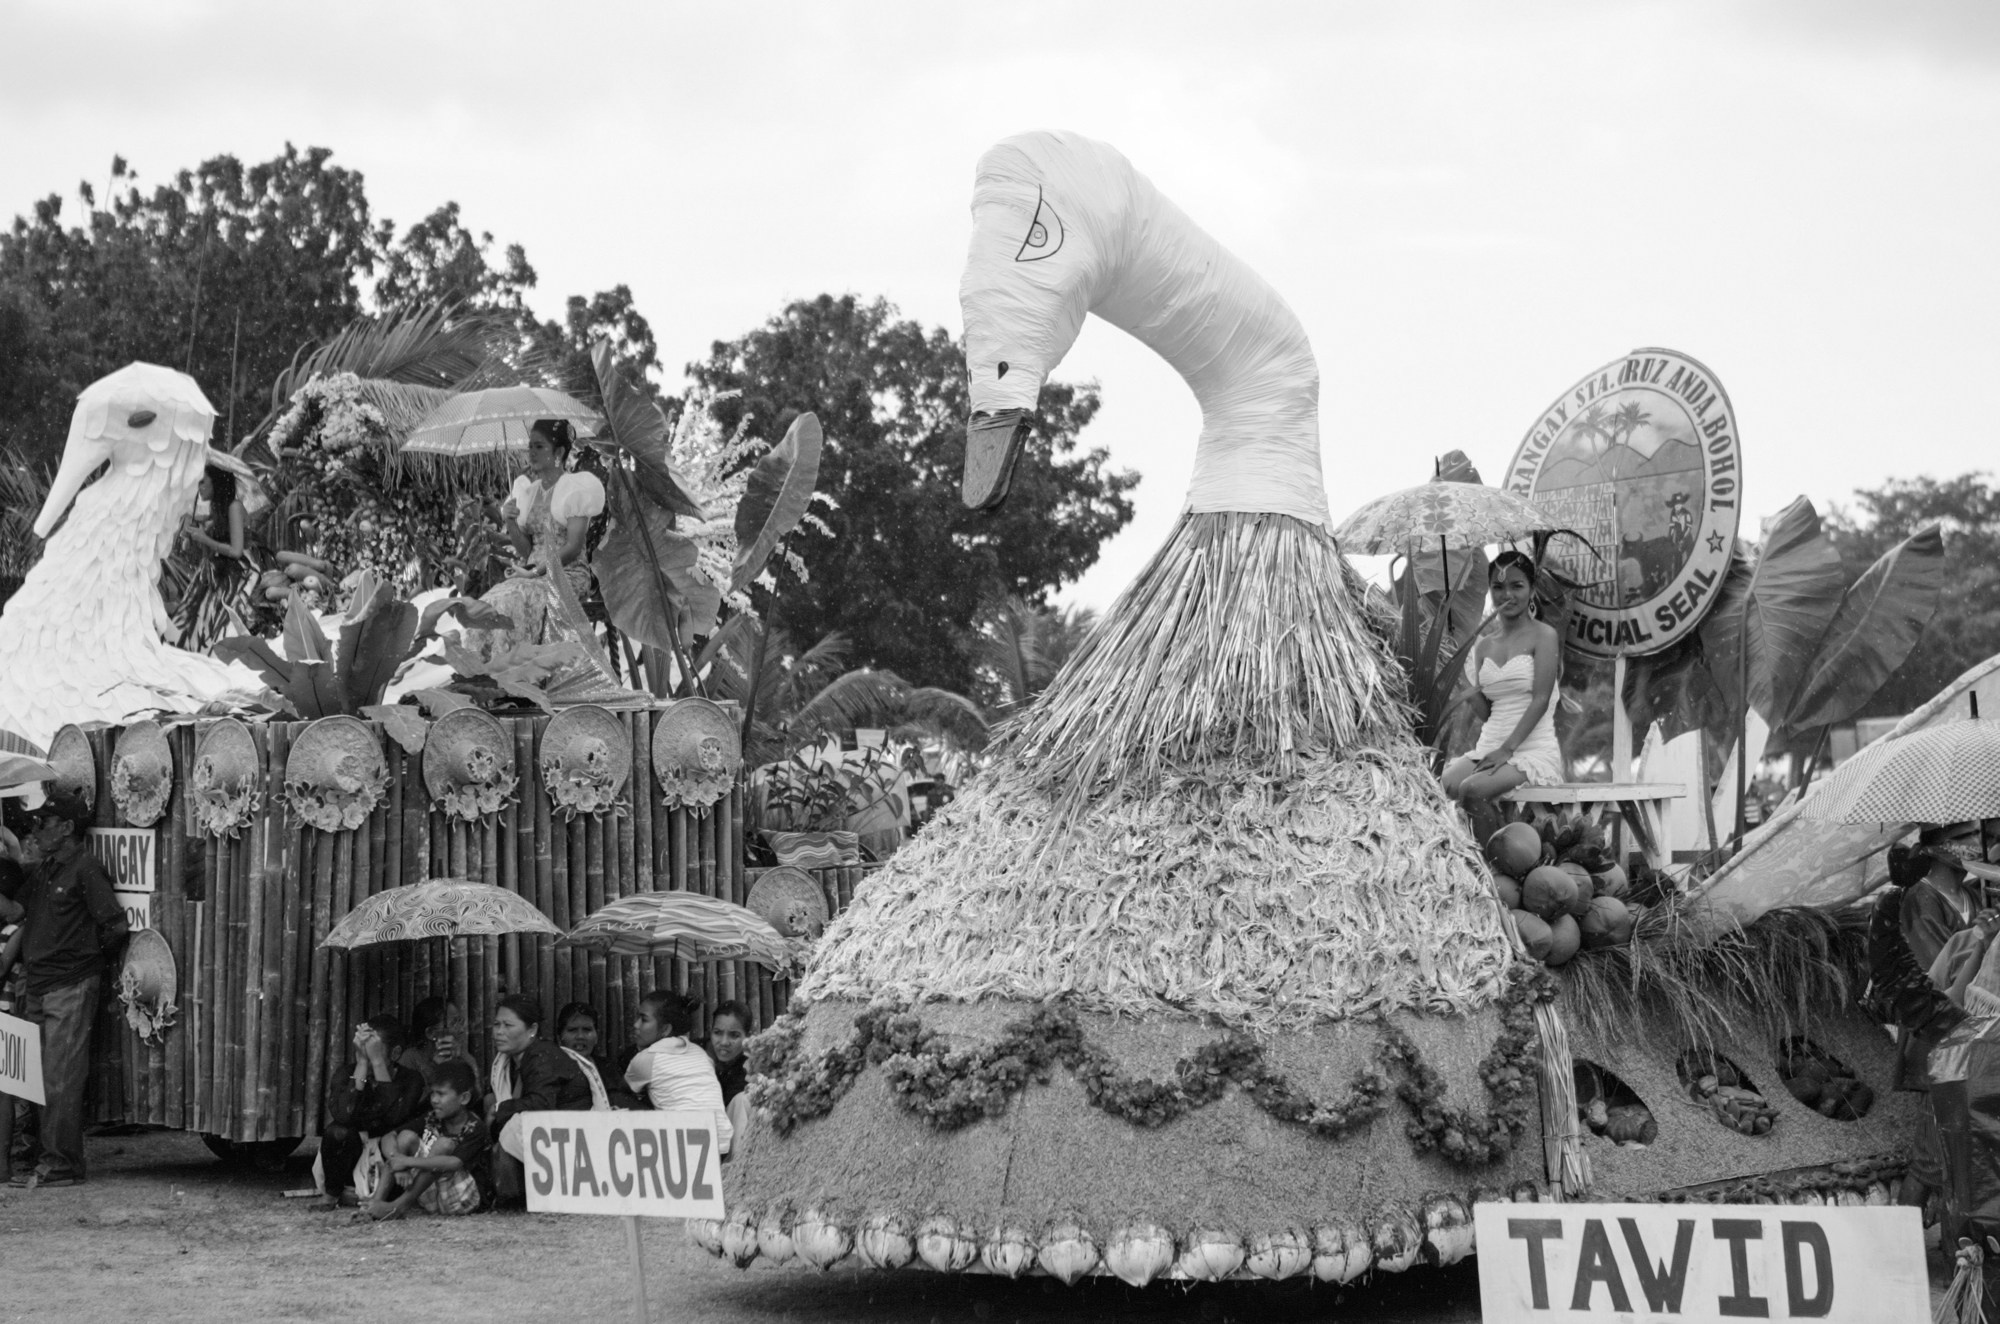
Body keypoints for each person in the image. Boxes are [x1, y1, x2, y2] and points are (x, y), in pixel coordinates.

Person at [0, 790, 129, 1189]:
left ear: (68, 828)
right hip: (42, 983)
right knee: (38, 1078)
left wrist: (84, 964)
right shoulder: (46, 869)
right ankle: (49, 1158)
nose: (36, 829)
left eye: (44, 823)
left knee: (60, 1078)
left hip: (68, 983)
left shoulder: (85, 868)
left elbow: (115, 926)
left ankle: (61, 1164)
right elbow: (16, 912)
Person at [1441, 550, 1563, 841]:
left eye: (1516, 586)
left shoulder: (1544, 636)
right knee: (1444, 783)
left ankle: (1494, 870)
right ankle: (1471, 859)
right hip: (1490, 745)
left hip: (1531, 749)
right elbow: (1486, 712)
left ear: (1532, 590)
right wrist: (1461, 677)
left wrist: (1507, 750)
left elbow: (1541, 700)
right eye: (1498, 586)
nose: (1506, 594)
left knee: (1472, 789)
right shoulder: (1484, 647)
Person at [479, 420, 607, 652]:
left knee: (521, 597)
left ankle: (534, 670)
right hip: (531, 574)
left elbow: (574, 546)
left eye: (539, 447)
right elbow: (526, 550)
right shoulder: (528, 492)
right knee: (490, 602)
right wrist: (510, 521)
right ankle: (503, 674)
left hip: (567, 573)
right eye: (530, 447)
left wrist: (537, 570)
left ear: (558, 452)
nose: (531, 453)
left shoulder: (575, 489)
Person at [487, 995, 597, 1206]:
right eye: (496, 1024)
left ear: (532, 1030)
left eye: (508, 1025)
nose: (499, 1032)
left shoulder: (541, 1055)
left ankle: (513, 1200)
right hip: (557, 1136)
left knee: (512, 1123)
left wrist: (500, 1109)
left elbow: (540, 1105)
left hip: (574, 1137)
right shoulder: (513, 1060)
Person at [316, 1016, 428, 1210]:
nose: (368, 1056)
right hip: (351, 1156)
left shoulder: (411, 1079)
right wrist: (361, 1065)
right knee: (337, 1132)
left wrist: (377, 1064)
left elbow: (394, 1118)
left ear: (395, 1054)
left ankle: (370, 1195)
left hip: (388, 1154)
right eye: (363, 1050)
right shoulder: (347, 1073)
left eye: (374, 1050)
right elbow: (344, 1115)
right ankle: (333, 1194)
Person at [359, 1060, 491, 1221]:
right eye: (433, 1093)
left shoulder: (475, 1126)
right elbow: (389, 1136)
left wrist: (407, 1162)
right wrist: (397, 1162)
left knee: (444, 1144)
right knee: (405, 1137)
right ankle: (375, 1203)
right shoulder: (432, 1117)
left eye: (441, 1094)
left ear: (464, 1098)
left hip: (462, 1198)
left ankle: (399, 1207)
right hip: (433, 1195)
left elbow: (454, 1163)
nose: (434, 1100)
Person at [627, 990, 732, 1155]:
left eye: (644, 1019)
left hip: (685, 1148)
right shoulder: (699, 1052)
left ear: (665, 1029)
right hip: (722, 1144)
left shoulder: (646, 1059)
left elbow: (625, 1096)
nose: (636, 1025)